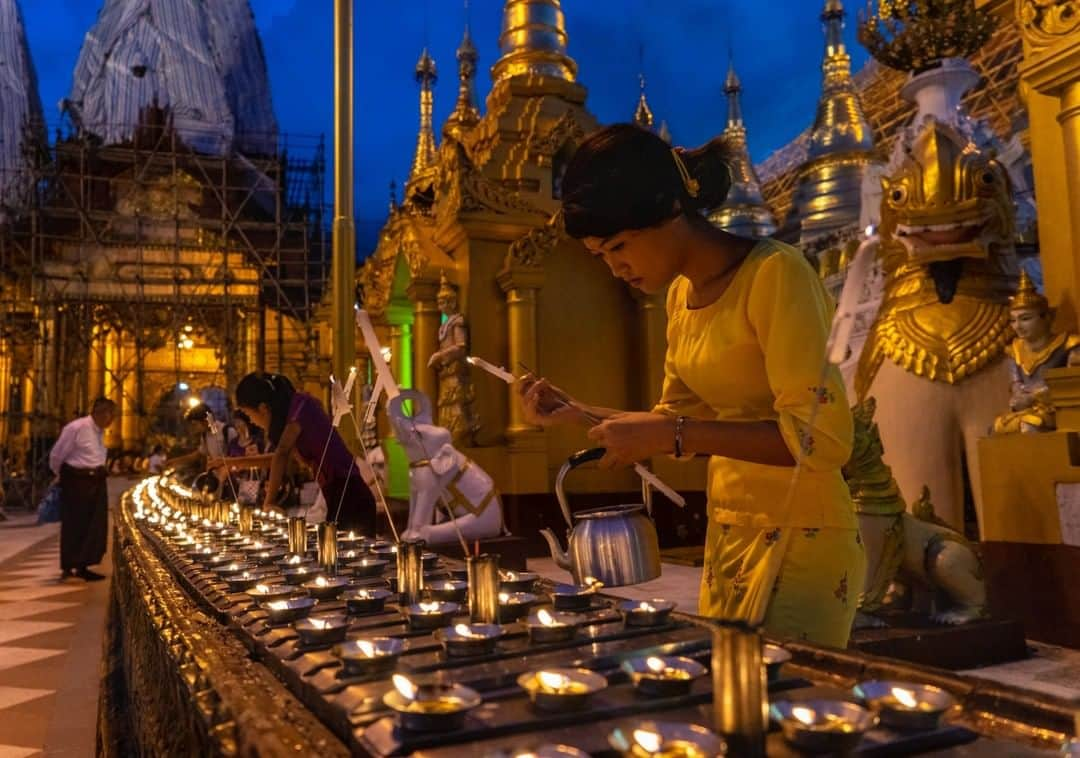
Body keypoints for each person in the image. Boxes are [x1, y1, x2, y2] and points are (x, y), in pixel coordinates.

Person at [518, 124, 865, 648]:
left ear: (670, 210)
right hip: (728, 530)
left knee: (782, 706)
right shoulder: (681, 298)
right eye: (602, 257)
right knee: (727, 698)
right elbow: (672, 420)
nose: (616, 269)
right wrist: (577, 410)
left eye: (620, 246)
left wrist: (674, 433)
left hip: (803, 534)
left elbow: (822, 440)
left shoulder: (775, 275)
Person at [212, 373, 377, 533]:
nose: (251, 421)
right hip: (337, 496)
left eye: (249, 415)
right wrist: (232, 462)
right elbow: (280, 458)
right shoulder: (294, 416)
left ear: (263, 408)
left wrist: (269, 502)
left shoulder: (301, 406)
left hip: (352, 498)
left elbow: (282, 454)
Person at [49, 397, 117, 581]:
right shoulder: (77, 428)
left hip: (95, 480)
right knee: (75, 524)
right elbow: (57, 455)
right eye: (110, 416)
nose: (111, 421)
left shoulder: (99, 432)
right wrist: (62, 475)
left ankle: (83, 565)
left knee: (93, 526)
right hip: (77, 481)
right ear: (101, 413)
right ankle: (69, 565)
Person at [165, 403, 237, 489]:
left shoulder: (228, 431)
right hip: (216, 481)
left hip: (232, 480)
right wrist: (176, 461)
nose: (194, 427)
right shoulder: (205, 435)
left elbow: (238, 456)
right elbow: (199, 454)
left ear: (205, 421)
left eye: (195, 424)